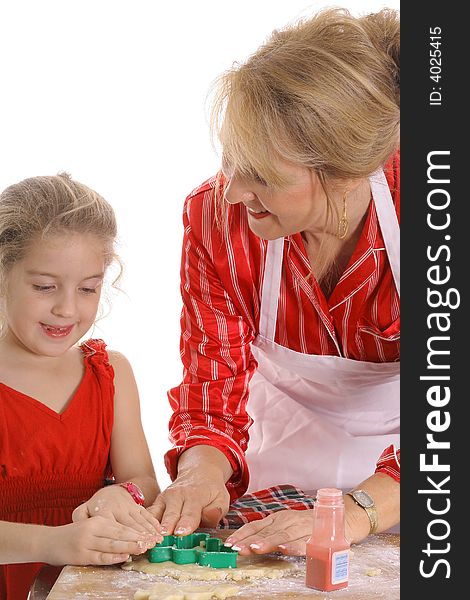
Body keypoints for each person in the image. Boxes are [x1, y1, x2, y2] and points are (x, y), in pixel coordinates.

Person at [151, 7, 400, 554]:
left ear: (343, 170)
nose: (236, 192)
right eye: (232, 160)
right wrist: (200, 473)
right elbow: (213, 389)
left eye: (261, 174)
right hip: (285, 458)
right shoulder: (215, 218)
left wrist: (358, 512)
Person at [0, 174, 163, 600]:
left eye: (88, 288)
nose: (67, 308)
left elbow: (143, 479)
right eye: (44, 287)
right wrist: (51, 543)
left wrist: (118, 494)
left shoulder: (110, 373)